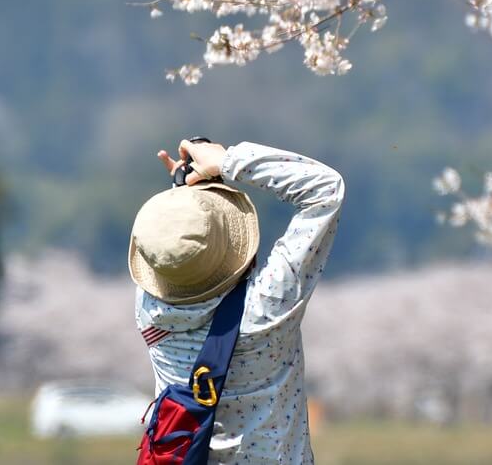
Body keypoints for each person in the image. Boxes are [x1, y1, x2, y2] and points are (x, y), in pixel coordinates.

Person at [129, 138, 344, 464]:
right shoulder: (266, 309)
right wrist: (227, 162)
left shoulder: (150, 312)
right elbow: (325, 189)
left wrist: (180, 211)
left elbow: (174, 254)